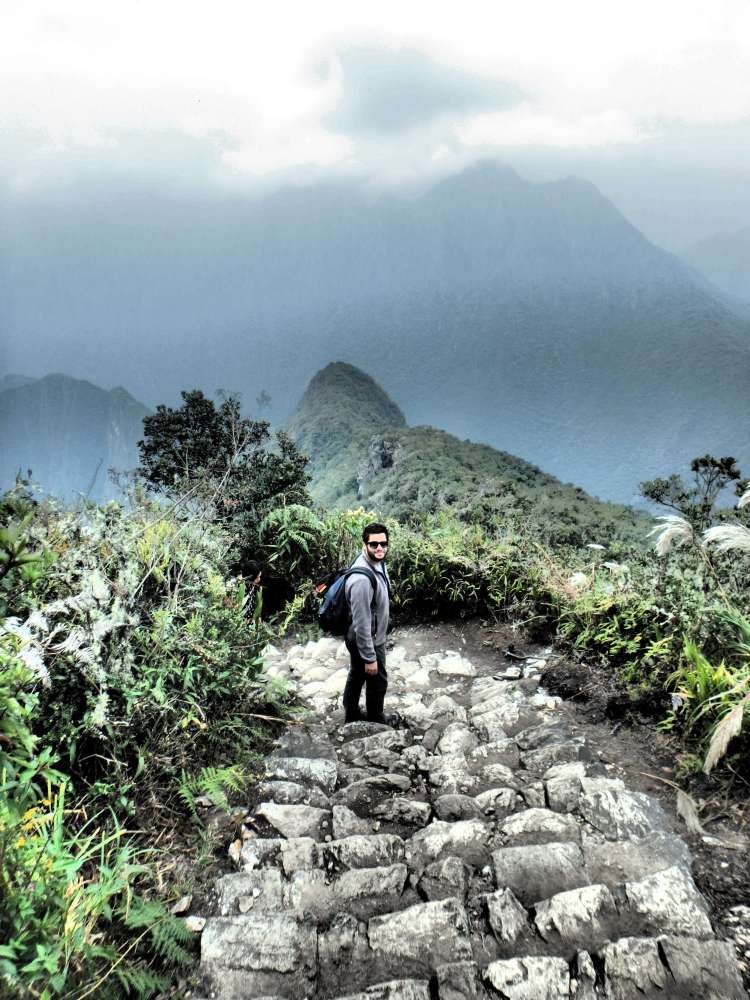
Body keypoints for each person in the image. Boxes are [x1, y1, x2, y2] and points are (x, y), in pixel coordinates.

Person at [343, 522, 393, 725]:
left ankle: (352, 714)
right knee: (377, 680)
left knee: (357, 674)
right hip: (367, 639)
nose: (380, 548)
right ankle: (375, 719)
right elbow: (361, 622)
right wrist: (370, 656)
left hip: (365, 636)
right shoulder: (361, 580)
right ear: (365, 545)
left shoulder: (376, 562)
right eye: (374, 544)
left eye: (383, 543)